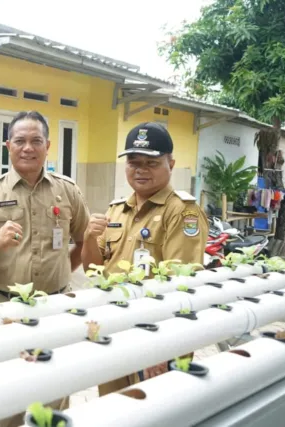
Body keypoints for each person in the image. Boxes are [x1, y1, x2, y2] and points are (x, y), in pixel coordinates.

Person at [0, 111, 90, 427]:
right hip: (5, 309)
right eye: (20, 141)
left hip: (56, 307)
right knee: (6, 395)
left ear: (48, 146)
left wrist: (63, 274)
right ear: (8, 146)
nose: (28, 148)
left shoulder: (67, 190)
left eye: (36, 141)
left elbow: (84, 239)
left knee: (55, 394)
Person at [82, 121, 209, 396]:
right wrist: (89, 237)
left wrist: (163, 346)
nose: (140, 169)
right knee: (114, 408)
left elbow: (181, 284)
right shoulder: (117, 211)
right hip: (116, 329)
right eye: (133, 162)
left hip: (156, 335)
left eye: (151, 162)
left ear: (171, 164)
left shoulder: (182, 212)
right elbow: (92, 270)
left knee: (156, 412)